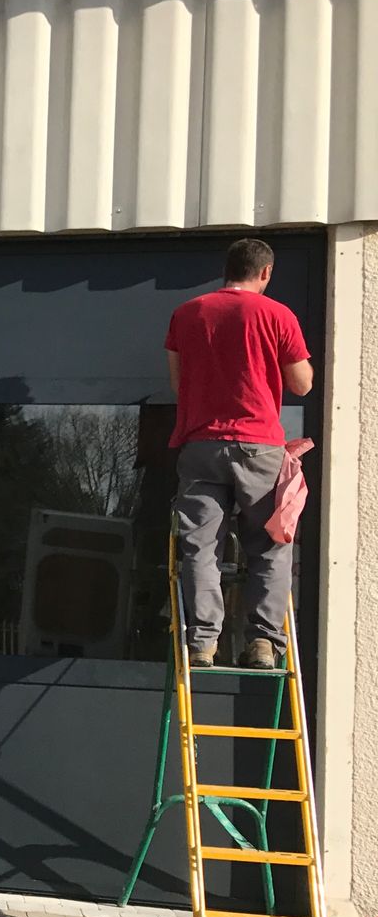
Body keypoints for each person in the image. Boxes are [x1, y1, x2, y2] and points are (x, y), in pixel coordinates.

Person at [165, 237, 313, 669]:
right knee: (268, 547)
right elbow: (302, 384)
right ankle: (264, 643)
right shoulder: (277, 315)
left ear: (226, 269)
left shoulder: (187, 314)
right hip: (259, 448)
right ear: (265, 272)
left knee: (200, 548)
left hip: (200, 446)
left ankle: (202, 643)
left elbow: (179, 385)